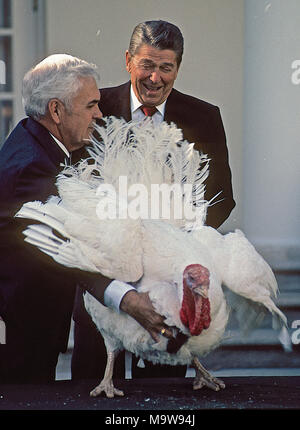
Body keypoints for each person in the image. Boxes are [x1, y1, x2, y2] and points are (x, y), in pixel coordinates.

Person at [71, 20, 235, 380]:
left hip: (167, 280)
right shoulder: (93, 112)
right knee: (91, 386)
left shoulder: (204, 118)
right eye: (146, 65)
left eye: (166, 67)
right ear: (128, 60)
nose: (155, 78)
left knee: (163, 390)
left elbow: (221, 198)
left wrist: (174, 243)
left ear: (178, 66)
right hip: (104, 277)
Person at [0, 53, 173, 384]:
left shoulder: (36, 141)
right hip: (20, 330)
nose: (100, 113)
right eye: (91, 105)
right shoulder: (32, 167)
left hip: (32, 322)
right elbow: (63, 248)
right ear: (56, 110)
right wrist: (127, 299)